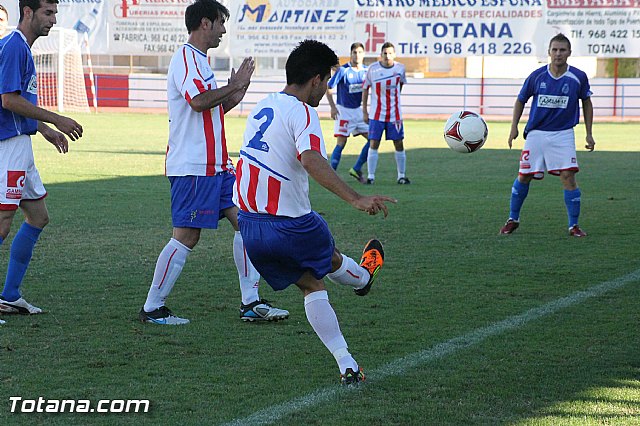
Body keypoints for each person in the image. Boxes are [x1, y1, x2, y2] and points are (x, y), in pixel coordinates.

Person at [234, 39, 396, 384]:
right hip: (290, 225)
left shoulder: (263, 105)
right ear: (317, 80)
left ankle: (348, 361)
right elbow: (311, 159)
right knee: (332, 260)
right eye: (327, 82)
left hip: (249, 227)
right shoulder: (304, 111)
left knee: (310, 284)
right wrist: (356, 199)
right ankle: (364, 280)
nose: (325, 91)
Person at [138, 0, 288, 325]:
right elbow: (196, 103)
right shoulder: (186, 58)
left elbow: (212, 108)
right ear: (205, 23)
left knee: (248, 221)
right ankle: (152, 307)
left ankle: (251, 303)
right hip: (194, 166)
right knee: (187, 236)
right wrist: (232, 86)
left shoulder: (202, 62)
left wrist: (237, 92)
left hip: (217, 166)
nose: (223, 30)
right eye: (221, 23)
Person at [0, 0, 84, 323]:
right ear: (28, 13)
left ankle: (9, 296)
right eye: (48, 13)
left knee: (38, 216)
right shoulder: (14, 47)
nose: (53, 19)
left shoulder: (23, 49)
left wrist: (45, 129)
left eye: (55, 13)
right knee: (3, 224)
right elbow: (8, 100)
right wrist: (56, 119)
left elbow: (17, 104)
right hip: (9, 148)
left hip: (22, 146)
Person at [499, 33, 595, 237]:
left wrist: (588, 133)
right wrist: (514, 127)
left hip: (563, 134)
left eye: (562, 50)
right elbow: (520, 100)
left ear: (569, 52)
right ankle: (512, 219)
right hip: (536, 134)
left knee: (568, 177)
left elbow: (587, 102)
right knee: (524, 176)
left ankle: (573, 226)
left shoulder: (578, 77)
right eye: (555, 50)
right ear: (549, 52)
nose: (558, 54)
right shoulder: (537, 76)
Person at [362, 42, 410, 185]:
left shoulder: (400, 68)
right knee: (374, 143)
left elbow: (399, 86)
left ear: (394, 55)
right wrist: (364, 110)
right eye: (385, 53)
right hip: (376, 114)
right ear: (381, 55)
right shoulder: (373, 69)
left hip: (395, 115)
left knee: (399, 143)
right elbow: (365, 89)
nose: (387, 56)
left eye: (390, 53)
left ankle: (401, 176)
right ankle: (371, 177)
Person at [325, 42, 369, 183]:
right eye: (354, 52)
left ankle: (356, 169)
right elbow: (329, 87)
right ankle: (331, 174)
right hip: (344, 111)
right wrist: (332, 107)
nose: (357, 55)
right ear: (351, 54)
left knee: (374, 139)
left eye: (360, 52)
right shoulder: (343, 71)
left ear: (364, 54)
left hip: (358, 112)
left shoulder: (367, 71)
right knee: (342, 142)